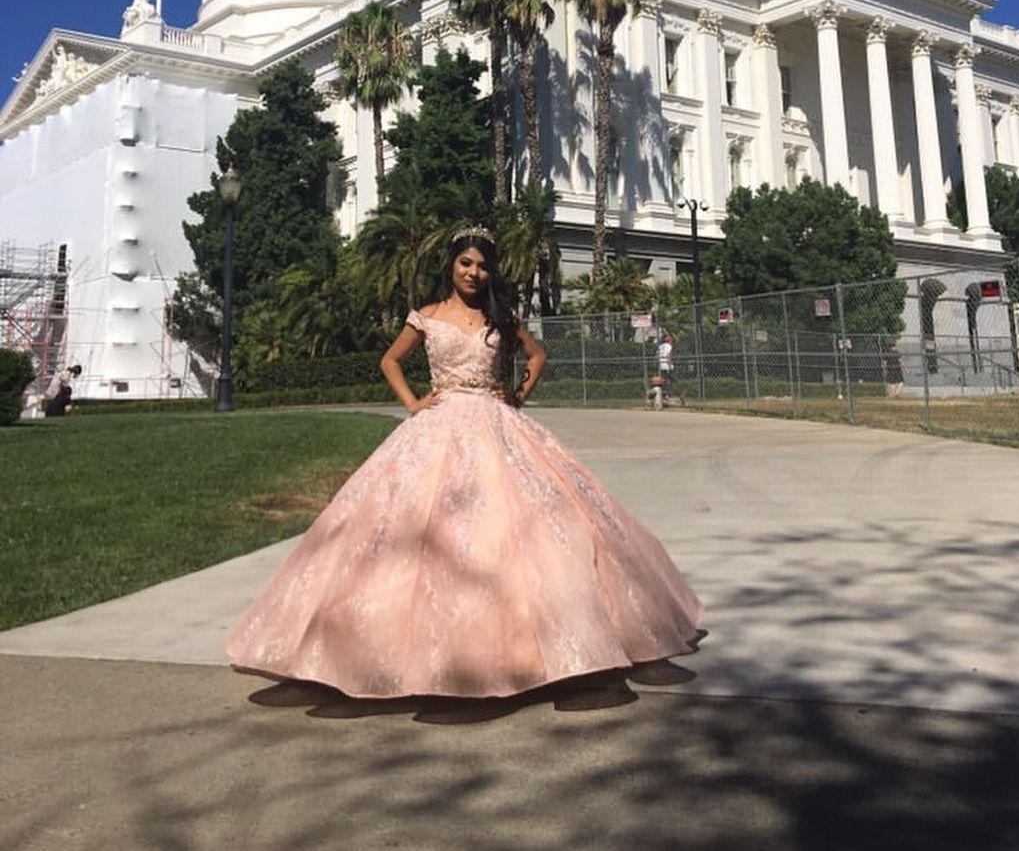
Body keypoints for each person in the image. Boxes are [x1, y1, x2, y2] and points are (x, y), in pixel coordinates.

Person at [228, 227, 702, 700]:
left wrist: (516, 395)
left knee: (536, 529)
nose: (474, 273)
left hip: (497, 424)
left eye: (482, 266)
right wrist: (413, 403)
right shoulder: (426, 317)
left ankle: (550, 650)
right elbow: (390, 361)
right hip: (437, 422)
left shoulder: (501, 317)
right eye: (465, 264)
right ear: (452, 266)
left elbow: (538, 356)